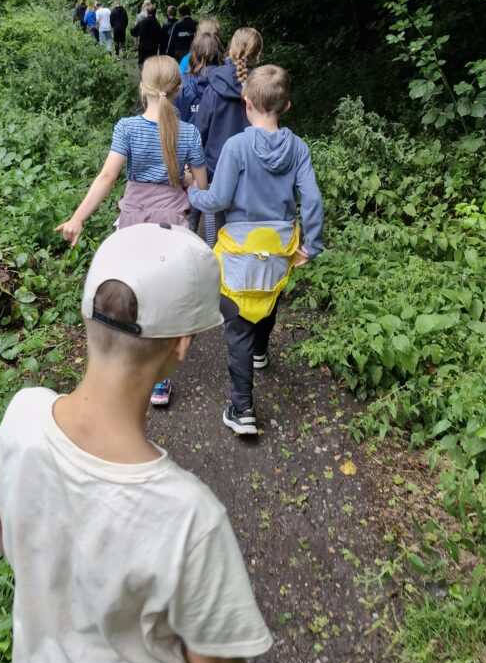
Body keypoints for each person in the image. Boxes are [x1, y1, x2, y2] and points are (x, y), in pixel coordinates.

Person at [0, 223, 273, 663]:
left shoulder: (24, 415)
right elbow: (211, 660)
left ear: (86, 313)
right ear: (182, 345)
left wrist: (58, 561)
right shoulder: (189, 514)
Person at [56, 55, 208, 405]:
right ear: (178, 89)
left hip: (133, 221)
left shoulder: (127, 128)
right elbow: (201, 186)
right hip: (172, 225)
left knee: (134, 291)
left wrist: (78, 217)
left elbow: (107, 176)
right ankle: (159, 380)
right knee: (164, 294)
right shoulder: (189, 133)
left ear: (143, 87)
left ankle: (123, 363)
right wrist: (185, 178)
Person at [187, 66, 324, 436]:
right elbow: (312, 200)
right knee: (268, 296)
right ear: (286, 106)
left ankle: (242, 407)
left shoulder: (236, 147)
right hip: (279, 246)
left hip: (239, 248)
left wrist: (192, 192)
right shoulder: (298, 148)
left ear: (246, 102)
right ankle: (261, 351)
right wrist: (312, 245)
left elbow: (217, 200)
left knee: (238, 323)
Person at [195, 27, 263, 246]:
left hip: (216, 169)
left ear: (231, 50)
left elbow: (200, 129)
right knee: (246, 234)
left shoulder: (214, 85)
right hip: (252, 169)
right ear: (258, 55)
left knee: (214, 235)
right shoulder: (263, 88)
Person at [175, 19, 224, 236]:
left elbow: (176, 118)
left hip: (188, 152)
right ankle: (214, 239)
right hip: (217, 152)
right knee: (215, 202)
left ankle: (191, 233)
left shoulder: (183, 85)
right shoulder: (224, 85)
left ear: (193, 54)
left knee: (192, 196)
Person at [130, 2, 164, 67]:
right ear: (155, 13)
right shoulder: (157, 24)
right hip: (153, 47)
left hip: (143, 46)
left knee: (141, 63)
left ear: (147, 12)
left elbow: (133, 31)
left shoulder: (142, 22)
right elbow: (160, 37)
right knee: (153, 63)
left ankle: (142, 72)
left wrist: (137, 39)